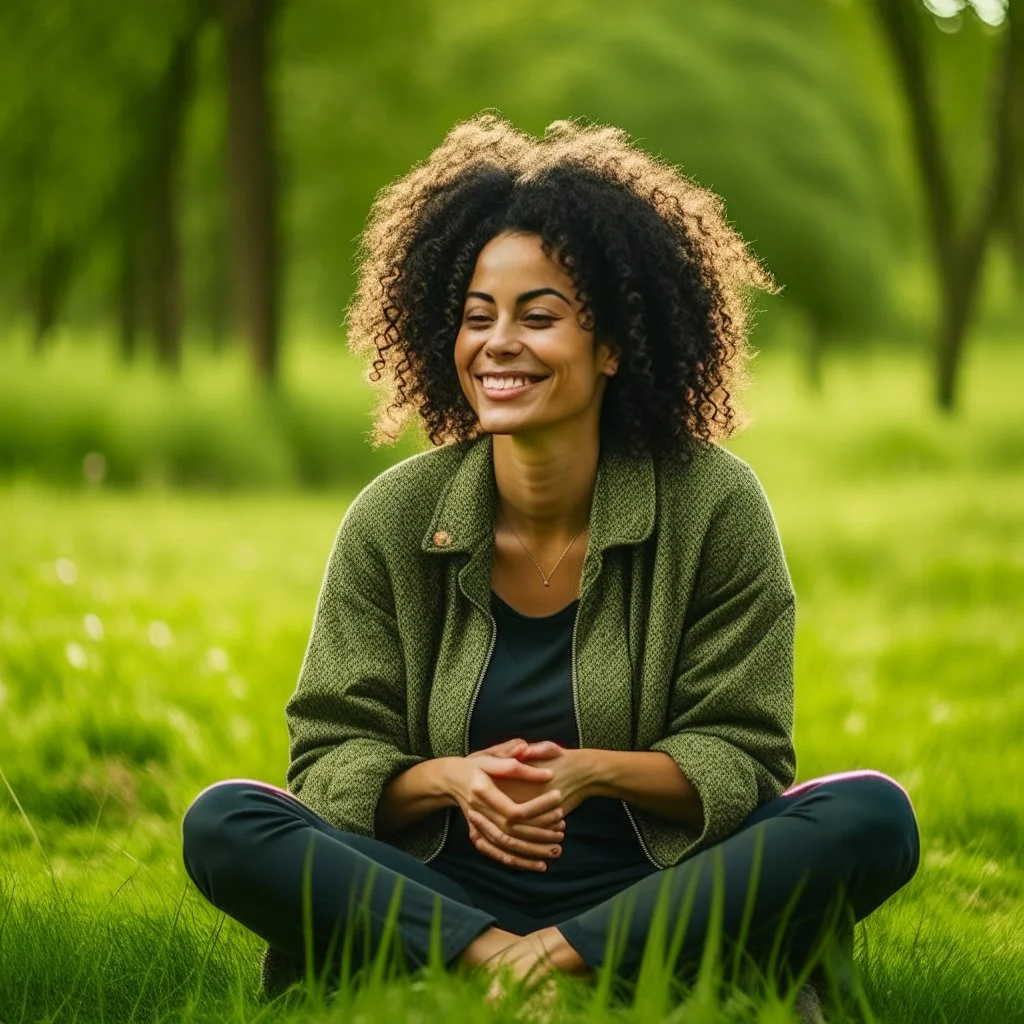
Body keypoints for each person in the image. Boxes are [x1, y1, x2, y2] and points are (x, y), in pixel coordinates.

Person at [180, 114, 920, 1014]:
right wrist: (451, 779)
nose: (499, 343)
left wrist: (591, 770)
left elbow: (745, 758)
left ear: (612, 346)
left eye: (540, 317)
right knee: (227, 820)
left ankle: (555, 963)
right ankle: (499, 960)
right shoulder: (393, 518)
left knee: (872, 815)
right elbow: (330, 760)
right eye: (476, 317)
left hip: (655, 896)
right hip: (438, 894)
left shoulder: (713, 505)